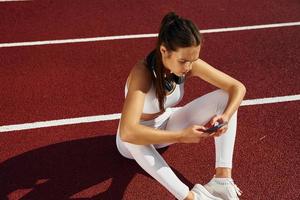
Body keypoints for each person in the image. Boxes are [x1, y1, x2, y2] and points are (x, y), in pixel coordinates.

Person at [116, 12, 246, 200]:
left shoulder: (188, 64)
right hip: (133, 142)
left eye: (192, 60)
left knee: (226, 98)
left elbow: (237, 87)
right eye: (183, 61)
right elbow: (127, 132)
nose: (188, 67)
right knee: (131, 137)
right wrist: (181, 136)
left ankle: (222, 180)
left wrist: (225, 117)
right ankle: (190, 197)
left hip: (166, 125)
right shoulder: (142, 74)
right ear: (163, 51)